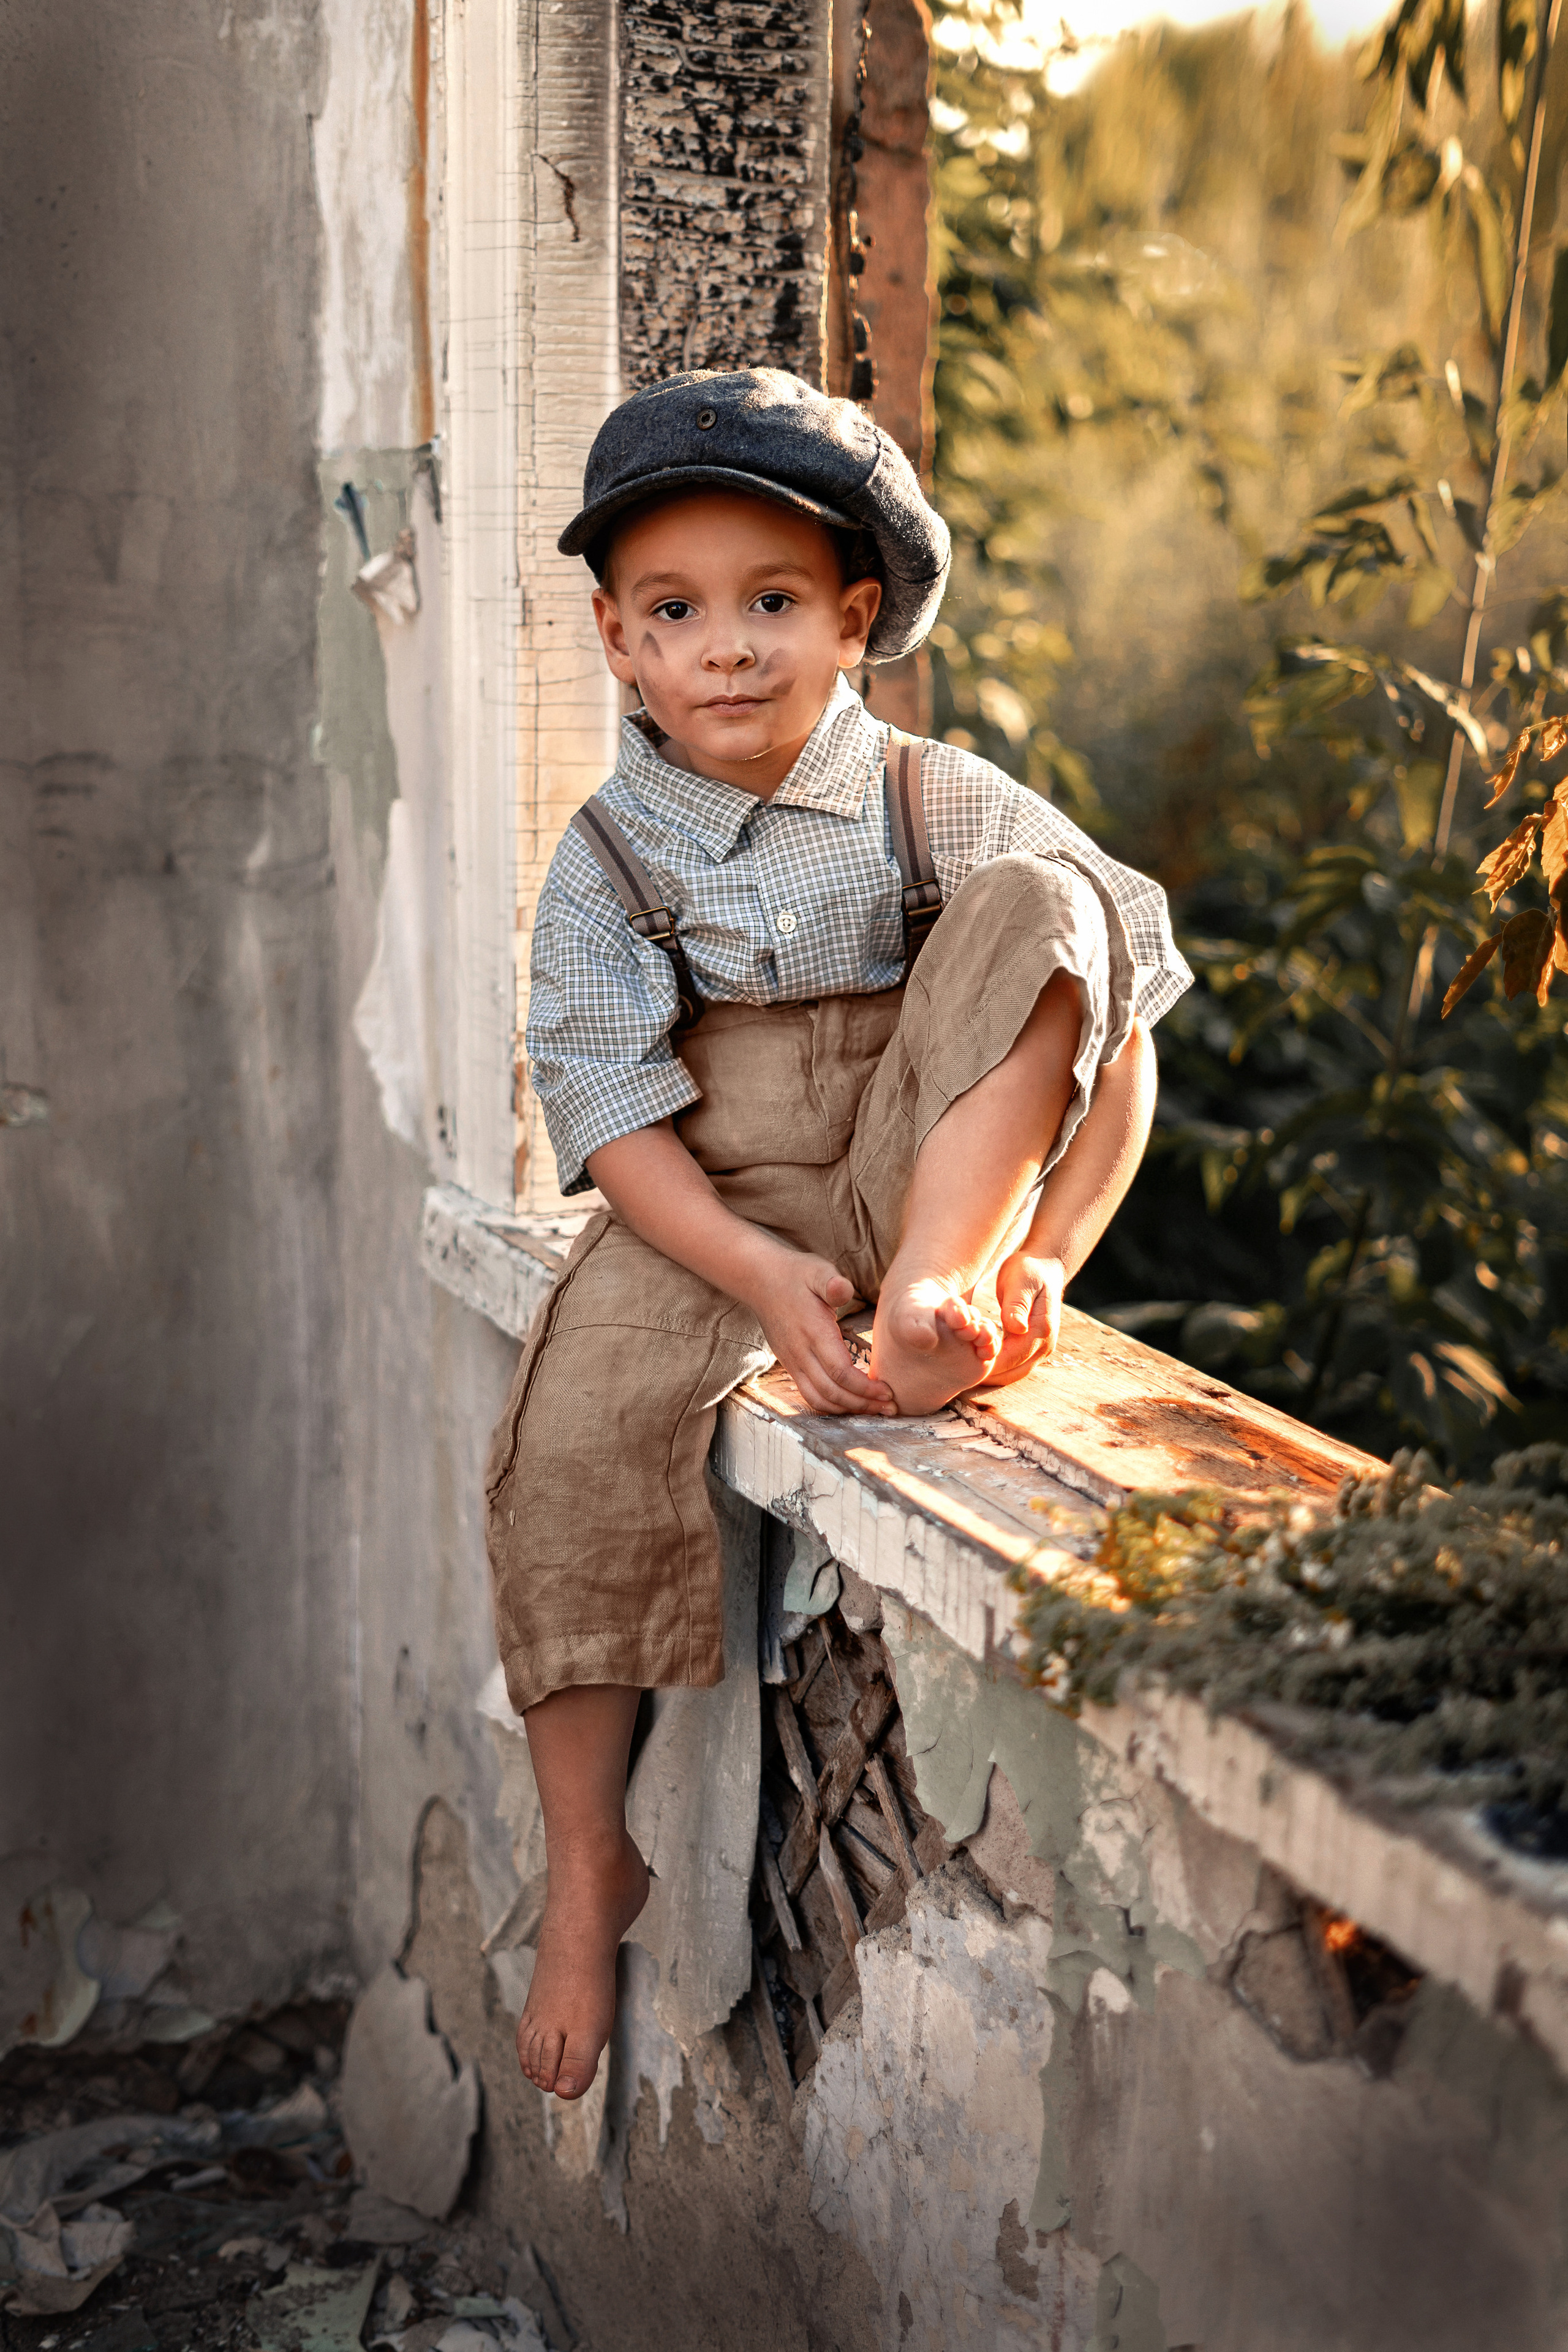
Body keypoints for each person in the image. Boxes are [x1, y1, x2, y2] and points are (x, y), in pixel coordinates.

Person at [484, 368, 1191, 2103]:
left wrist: (1040, 1261)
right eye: (677, 611)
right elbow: (611, 1116)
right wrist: (750, 1273)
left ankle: (937, 1297)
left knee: (1054, 900)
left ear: (854, 620)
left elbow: (1116, 1012)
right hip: (711, 1200)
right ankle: (588, 1866)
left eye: (774, 602)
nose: (727, 647)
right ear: (619, 642)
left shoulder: (926, 800)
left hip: (913, 1170)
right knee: (560, 1454)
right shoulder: (612, 853)